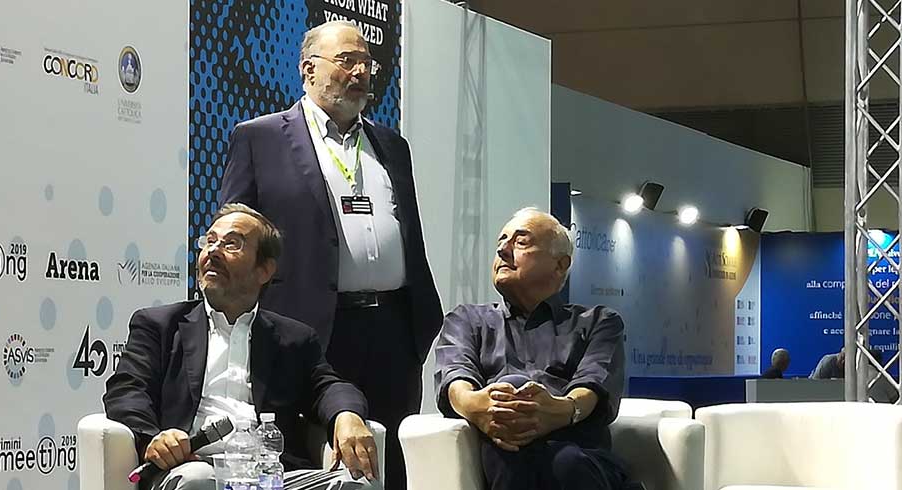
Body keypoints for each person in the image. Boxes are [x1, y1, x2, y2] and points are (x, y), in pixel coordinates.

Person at [218, 20, 443, 489]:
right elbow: (234, 233)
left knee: (390, 466)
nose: (360, 72)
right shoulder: (260, 138)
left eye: (367, 63)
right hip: (310, 329)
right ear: (308, 69)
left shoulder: (391, 146)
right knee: (315, 460)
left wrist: (418, 323)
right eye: (346, 61)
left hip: (393, 331)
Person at [104, 203, 380, 490]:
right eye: (209, 241)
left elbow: (328, 387)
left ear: (264, 270)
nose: (213, 251)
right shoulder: (159, 325)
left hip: (273, 476)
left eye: (231, 244)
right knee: (197, 481)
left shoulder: (294, 338)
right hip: (194, 467)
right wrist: (154, 438)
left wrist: (347, 415)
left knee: (359, 485)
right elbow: (127, 390)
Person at [435, 207, 631, 490]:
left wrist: (562, 410)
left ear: (560, 265)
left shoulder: (599, 322)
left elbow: (593, 385)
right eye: (501, 241)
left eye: (521, 241)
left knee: (566, 462)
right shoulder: (466, 320)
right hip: (501, 454)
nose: (502, 250)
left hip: (579, 454)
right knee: (510, 396)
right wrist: (480, 406)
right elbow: (456, 377)